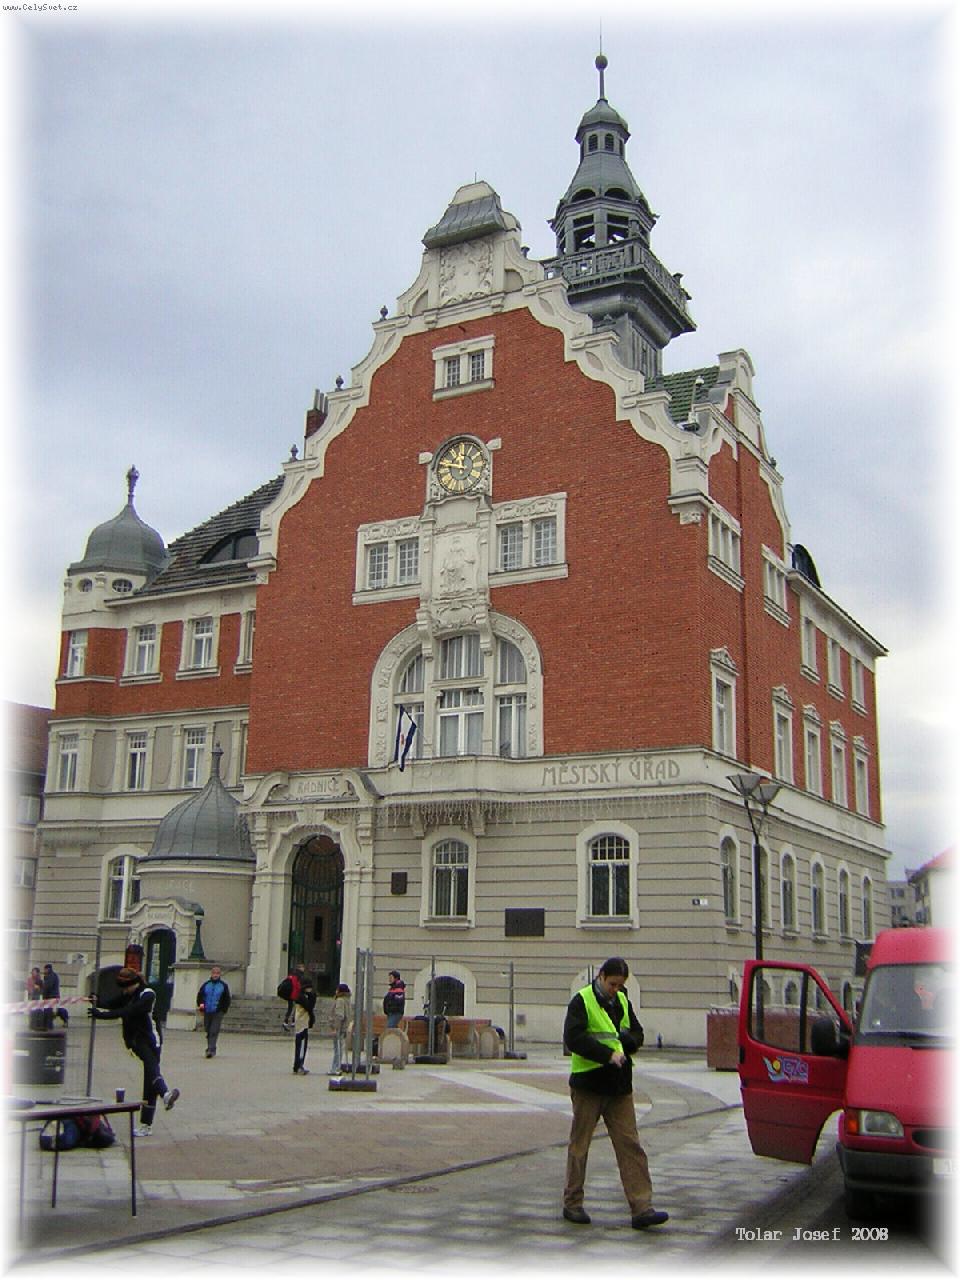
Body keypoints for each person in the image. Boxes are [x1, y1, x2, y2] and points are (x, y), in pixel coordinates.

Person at [562, 957, 668, 1231]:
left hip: (619, 1086)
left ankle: (642, 1207)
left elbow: (637, 1033)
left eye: (620, 985)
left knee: (630, 1145)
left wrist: (629, 1043)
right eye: (612, 984)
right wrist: (607, 1054)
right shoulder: (582, 1001)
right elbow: (573, 1039)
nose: (616, 990)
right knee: (580, 1145)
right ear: (601, 976)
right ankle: (572, 1203)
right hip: (589, 1084)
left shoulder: (622, 1001)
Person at [89, 967, 180, 1136]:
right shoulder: (128, 994)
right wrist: (97, 1000)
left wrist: (101, 1015)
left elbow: (128, 1011)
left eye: (126, 987)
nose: (124, 991)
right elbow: (112, 1003)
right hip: (135, 1040)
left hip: (150, 1039)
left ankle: (151, 1117)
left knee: (150, 1075)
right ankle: (164, 1096)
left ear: (134, 983)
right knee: (151, 1072)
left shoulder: (148, 995)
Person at [196, 964, 231, 1058]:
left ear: (220, 974)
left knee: (214, 1030)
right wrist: (201, 1007)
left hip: (218, 1012)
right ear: (211, 974)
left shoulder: (223, 986)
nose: (215, 975)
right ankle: (210, 1046)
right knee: (208, 1029)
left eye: (217, 973)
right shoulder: (206, 985)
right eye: (214, 973)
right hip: (207, 1011)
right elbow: (200, 997)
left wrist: (223, 1010)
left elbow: (227, 999)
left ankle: (211, 1049)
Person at [292, 976, 316, 1075]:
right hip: (301, 1024)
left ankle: (299, 1065)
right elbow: (309, 1007)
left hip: (304, 1023)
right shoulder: (301, 997)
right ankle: (298, 1065)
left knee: (302, 1046)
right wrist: (312, 996)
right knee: (300, 1046)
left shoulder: (304, 996)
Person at [329, 983, 352, 1075]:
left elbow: (339, 1016)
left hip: (339, 1028)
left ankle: (335, 1068)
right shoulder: (347, 1000)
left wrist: (335, 1028)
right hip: (344, 1027)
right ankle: (336, 1067)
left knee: (337, 1049)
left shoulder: (340, 1000)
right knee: (340, 1048)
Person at [281, 962, 306, 1031]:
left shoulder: (293, 974)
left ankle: (289, 1022)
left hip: (291, 994)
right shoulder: (298, 975)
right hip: (294, 994)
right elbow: (297, 985)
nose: (304, 969)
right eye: (302, 967)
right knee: (294, 1007)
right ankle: (289, 1022)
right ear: (300, 968)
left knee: (291, 1008)